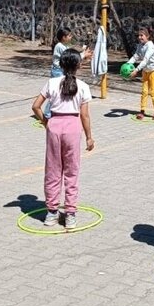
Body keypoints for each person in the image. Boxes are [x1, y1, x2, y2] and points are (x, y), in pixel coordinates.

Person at [32, 49, 95, 229]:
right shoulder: (83, 86)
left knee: (53, 170)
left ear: (60, 65)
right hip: (73, 127)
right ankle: (70, 215)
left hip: (55, 125)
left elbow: (36, 106)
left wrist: (46, 122)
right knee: (71, 171)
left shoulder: (51, 83)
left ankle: (51, 213)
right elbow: (85, 115)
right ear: (78, 66)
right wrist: (89, 137)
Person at [127, 28, 154, 120]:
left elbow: (145, 60)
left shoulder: (150, 46)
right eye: (139, 35)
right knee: (144, 91)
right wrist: (128, 64)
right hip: (145, 71)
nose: (139, 37)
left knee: (153, 92)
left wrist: (136, 70)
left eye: (142, 35)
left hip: (153, 71)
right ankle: (142, 111)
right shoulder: (140, 45)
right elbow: (135, 56)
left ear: (147, 36)